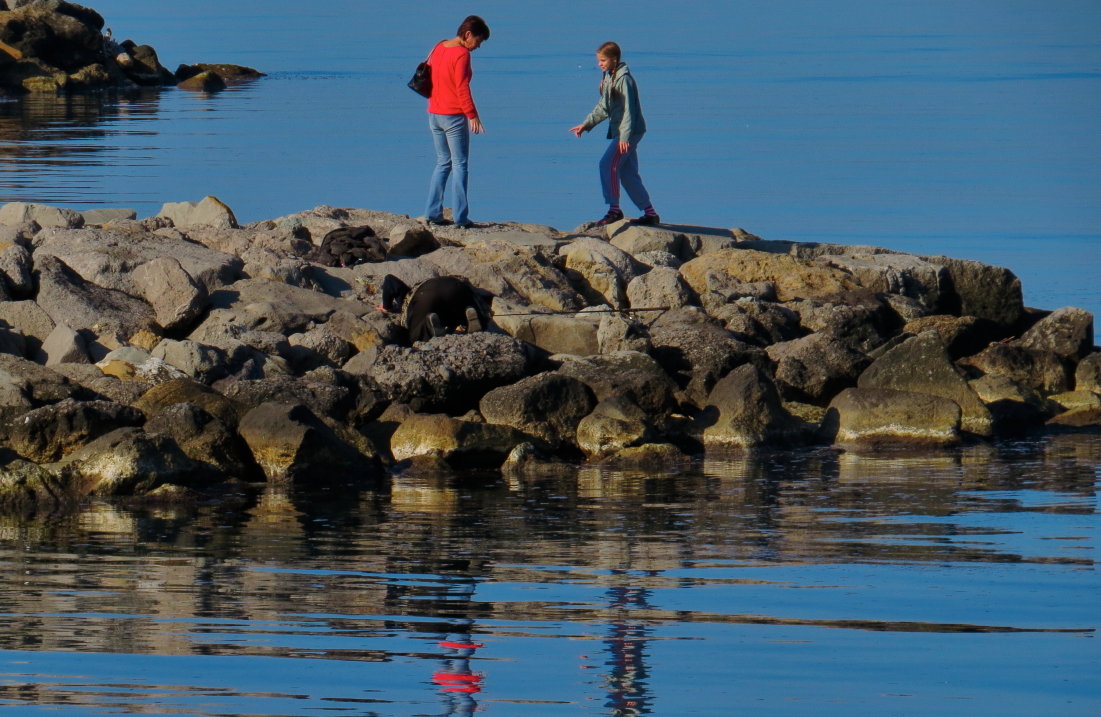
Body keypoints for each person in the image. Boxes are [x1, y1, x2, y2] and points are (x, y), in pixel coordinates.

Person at [569, 41, 660, 227]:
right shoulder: (609, 77)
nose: (599, 64)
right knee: (627, 173)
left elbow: (629, 110)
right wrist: (586, 124)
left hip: (629, 131)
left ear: (614, 59)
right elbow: (604, 107)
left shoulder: (624, 79)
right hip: (625, 130)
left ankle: (614, 210)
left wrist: (625, 137)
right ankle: (650, 213)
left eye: (603, 60)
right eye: (599, 61)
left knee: (607, 164)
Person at [423, 15, 490, 229]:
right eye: (478, 41)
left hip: (434, 113)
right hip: (453, 116)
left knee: (443, 163)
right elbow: (462, 87)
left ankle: (432, 213)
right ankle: (461, 218)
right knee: (460, 165)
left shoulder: (439, 46)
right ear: (468, 34)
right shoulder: (461, 54)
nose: (477, 47)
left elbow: (428, 71)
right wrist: (472, 115)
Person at [379, 274, 491, 344]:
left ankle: (431, 329)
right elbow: (389, 279)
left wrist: (386, 307)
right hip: (454, 285)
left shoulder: (410, 306)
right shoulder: (411, 290)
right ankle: (471, 318)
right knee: (457, 310)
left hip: (427, 299)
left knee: (416, 336)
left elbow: (388, 279)